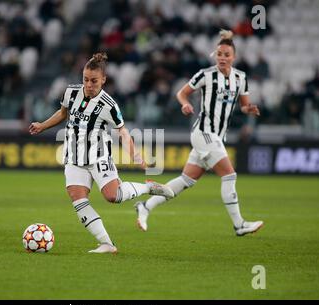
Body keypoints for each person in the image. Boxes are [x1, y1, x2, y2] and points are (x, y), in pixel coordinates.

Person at [29, 53, 174, 254]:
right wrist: (42, 125)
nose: (89, 84)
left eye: (94, 81)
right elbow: (63, 113)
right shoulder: (71, 92)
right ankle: (107, 243)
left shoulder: (109, 105)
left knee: (113, 196)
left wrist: (135, 155)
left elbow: (122, 131)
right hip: (73, 157)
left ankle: (147, 188)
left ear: (103, 80)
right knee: (78, 199)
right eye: (85, 80)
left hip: (98, 157)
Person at [135, 30, 264, 236]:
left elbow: (244, 105)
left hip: (217, 137)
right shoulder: (206, 75)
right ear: (215, 54)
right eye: (219, 54)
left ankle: (145, 206)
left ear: (234, 57)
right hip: (203, 132)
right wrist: (185, 104)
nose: (222, 58)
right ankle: (239, 225)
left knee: (185, 181)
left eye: (226, 55)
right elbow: (182, 93)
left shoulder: (241, 78)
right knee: (229, 175)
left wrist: (250, 109)